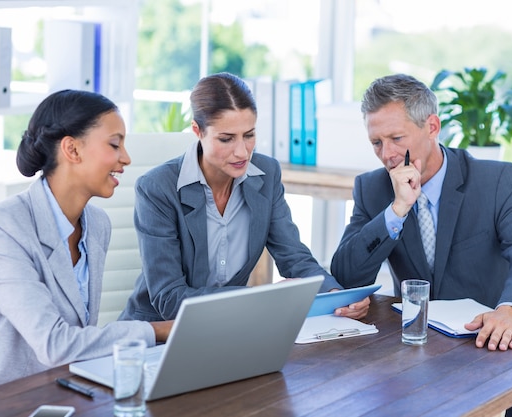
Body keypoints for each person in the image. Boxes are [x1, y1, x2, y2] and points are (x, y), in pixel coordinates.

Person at [330, 73, 512, 416]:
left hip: (489, 339)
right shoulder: (373, 188)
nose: (386, 154)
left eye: (396, 138)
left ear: (432, 126)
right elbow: (346, 272)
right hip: (413, 348)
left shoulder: (496, 180)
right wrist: (397, 209)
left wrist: (510, 310)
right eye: (376, 142)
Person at [0, 90, 172, 402]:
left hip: (54, 396)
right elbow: (54, 343)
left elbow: (76, 340)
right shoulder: (3, 227)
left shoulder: (97, 225)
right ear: (72, 149)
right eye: (114, 144)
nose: (126, 158)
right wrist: (157, 331)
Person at [119, 72, 370, 322]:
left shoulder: (266, 175)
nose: (242, 152)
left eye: (249, 135)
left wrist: (334, 294)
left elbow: (294, 257)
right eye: (226, 139)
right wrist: (260, 297)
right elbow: (170, 299)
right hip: (157, 333)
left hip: (230, 328)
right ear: (197, 131)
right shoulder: (157, 188)